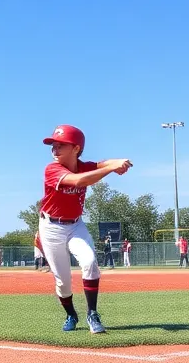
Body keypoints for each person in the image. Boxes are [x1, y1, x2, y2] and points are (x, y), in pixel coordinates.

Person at [39, 124, 132, 334]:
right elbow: (79, 180)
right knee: (63, 283)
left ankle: (92, 313)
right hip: (51, 227)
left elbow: (100, 163)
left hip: (75, 225)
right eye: (53, 145)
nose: (55, 149)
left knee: (90, 262)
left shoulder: (84, 165)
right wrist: (110, 169)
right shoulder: (52, 169)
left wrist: (117, 162)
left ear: (76, 148)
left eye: (61, 145)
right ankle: (71, 314)